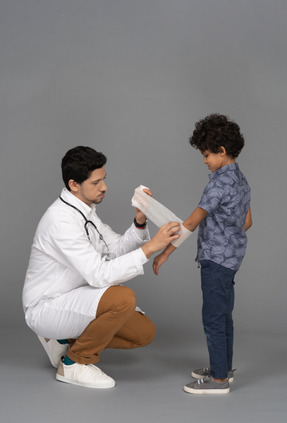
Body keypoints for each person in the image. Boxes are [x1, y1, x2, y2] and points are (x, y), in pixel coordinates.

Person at [22, 146, 180, 389]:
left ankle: (62, 340)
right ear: (74, 184)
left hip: (74, 296)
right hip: (47, 304)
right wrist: (150, 248)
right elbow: (99, 275)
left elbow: (115, 248)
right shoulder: (60, 220)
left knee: (143, 333)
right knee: (122, 298)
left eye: (104, 179)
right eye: (96, 182)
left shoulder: (85, 211)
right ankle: (75, 363)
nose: (104, 187)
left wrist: (140, 220)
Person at [153, 114, 252, 395]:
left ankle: (219, 380)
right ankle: (225, 368)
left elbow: (191, 223)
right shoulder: (242, 181)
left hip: (215, 260)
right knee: (224, 316)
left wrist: (165, 253)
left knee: (212, 317)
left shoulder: (218, 183)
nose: (204, 161)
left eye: (207, 154)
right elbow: (247, 222)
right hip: (233, 258)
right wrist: (228, 232)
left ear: (221, 151)